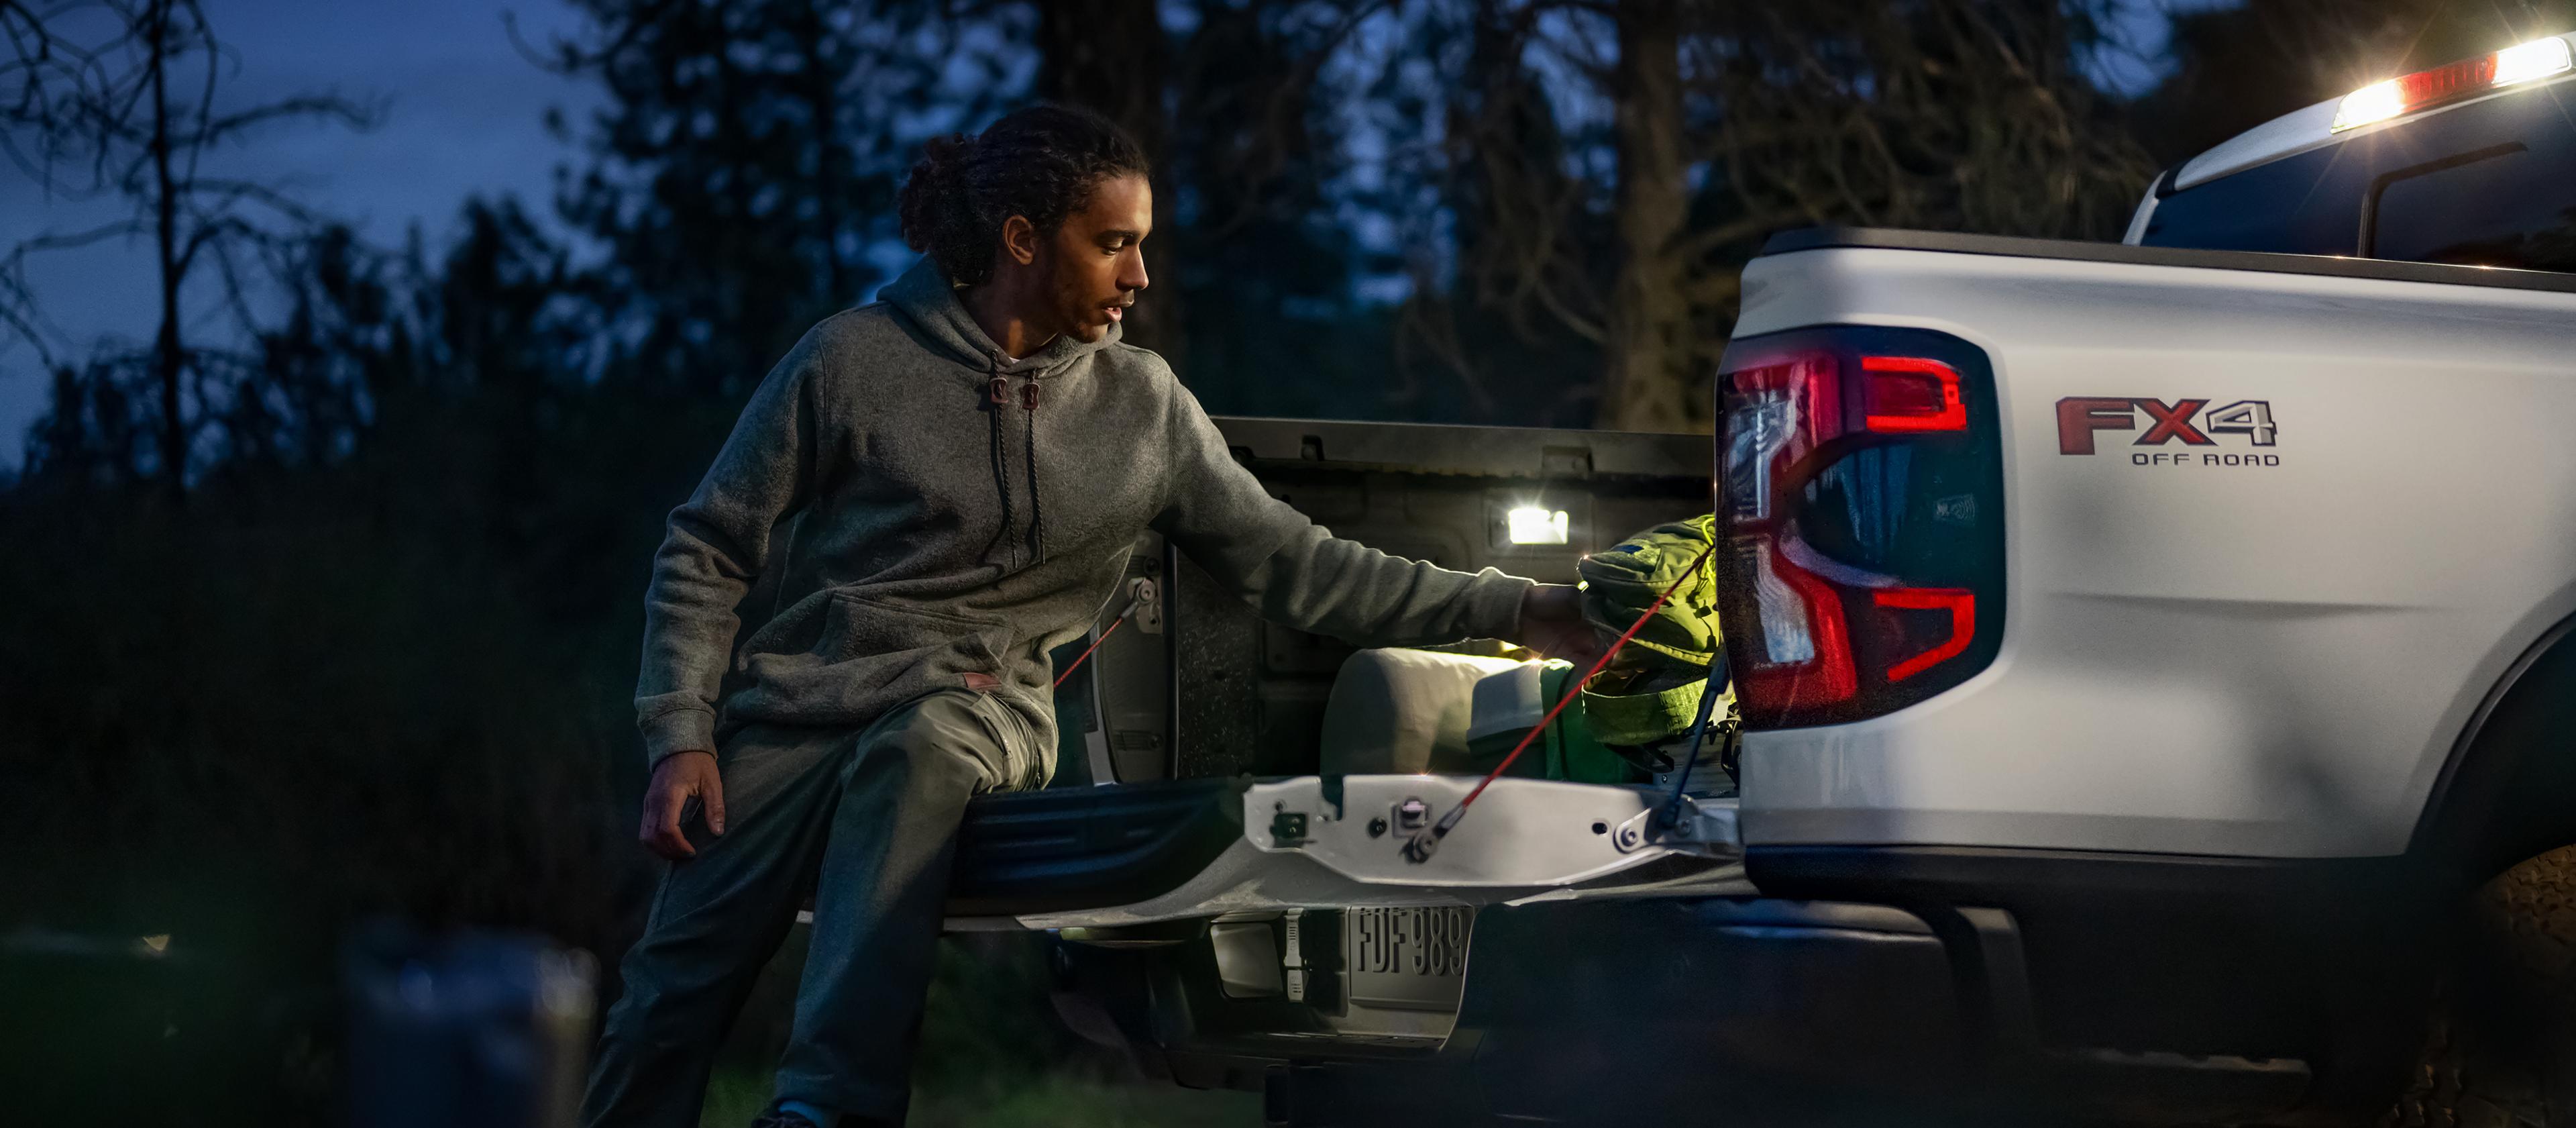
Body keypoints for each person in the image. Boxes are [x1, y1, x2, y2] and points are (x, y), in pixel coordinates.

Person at [578, 104, 1597, 1128]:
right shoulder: (847, 360)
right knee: (667, 998)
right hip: (799, 712)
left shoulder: (1144, 408)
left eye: (1142, 244)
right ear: (1024, 239)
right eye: (1114, 243)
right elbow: (707, 544)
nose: (1139, 275)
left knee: (921, 745)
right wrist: (682, 732)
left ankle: (828, 1110)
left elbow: (1303, 567)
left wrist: (1515, 603)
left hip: (978, 705)